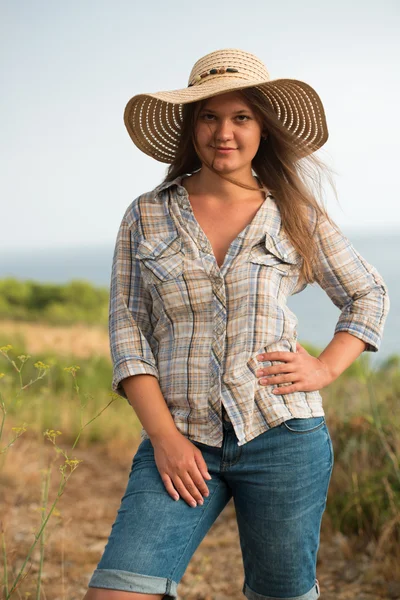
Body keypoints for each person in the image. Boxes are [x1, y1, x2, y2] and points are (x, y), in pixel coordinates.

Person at [84, 48, 390, 600]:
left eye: (241, 118)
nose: (224, 132)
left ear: (263, 130)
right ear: (190, 125)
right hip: (180, 440)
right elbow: (127, 332)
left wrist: (323, 367)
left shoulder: (296, 213)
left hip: (284, 436)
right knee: (118, 590)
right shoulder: (146, 214)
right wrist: (164, 439)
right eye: (209, 116)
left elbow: (368, 294)